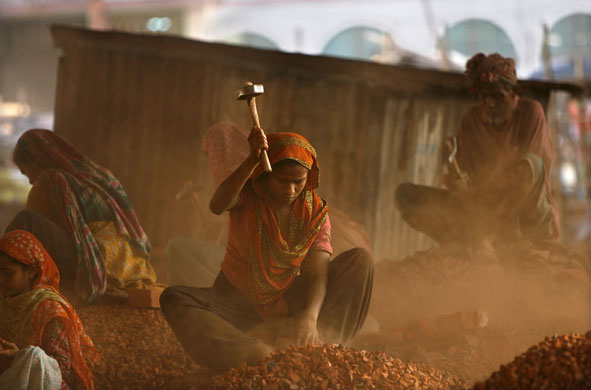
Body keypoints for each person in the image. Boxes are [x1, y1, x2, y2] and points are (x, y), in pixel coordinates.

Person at [160, 129, 373, 372]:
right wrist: (251, 160)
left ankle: (324, 345)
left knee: (360, 260)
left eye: (298, 181)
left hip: (292, 301)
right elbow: (216, 205)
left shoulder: (315, 212)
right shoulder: (248, 195)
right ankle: (251, 352)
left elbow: (318, 273)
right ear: (266, 173)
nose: (290, 190)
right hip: (237, 301)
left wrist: (310, 319)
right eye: (282, 180)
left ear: (309, 178)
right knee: (174, 297)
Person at [395, 53, 558, 258]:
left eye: (497, 96)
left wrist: (488, 201)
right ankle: (463, 243)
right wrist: (457, 183)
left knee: (531, 166)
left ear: (513, 93)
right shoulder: (471, 120)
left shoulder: (531, 113)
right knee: (407, 195)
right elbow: (466, 180)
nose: (489, 103)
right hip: (481, 215)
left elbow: (528, 176)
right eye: (484, 97)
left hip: (522, 218)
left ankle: (489, 240)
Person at [11, 129, 157, 303]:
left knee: (27, 220)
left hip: (96, 264)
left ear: (37, 162)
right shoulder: (99, 175)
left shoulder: (50, 181)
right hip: (132, 267)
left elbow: (38, 242)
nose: (29, 181)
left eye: (25, 171)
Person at [0, 230, 98, 389]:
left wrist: (20, 356)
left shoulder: (50, 310)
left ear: (31, 272)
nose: (0, 279)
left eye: (7, 273)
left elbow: (62, 369)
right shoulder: (6, 301)